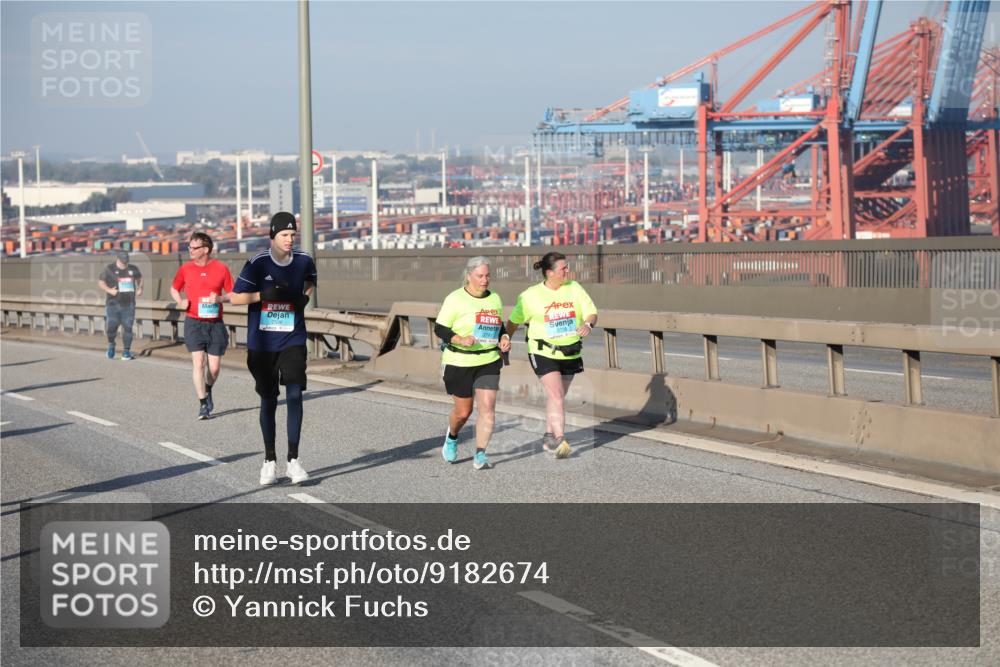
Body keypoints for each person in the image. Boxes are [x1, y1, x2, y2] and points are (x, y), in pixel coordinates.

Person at [230, 212, 316, 486]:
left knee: (294, 395)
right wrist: (264, 296)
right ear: (273, 236)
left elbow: (310, 280)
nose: (290, 240)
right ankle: (269, 461)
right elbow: (234, 297)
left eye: (293, 235)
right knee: (269, 400)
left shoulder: (304, 261)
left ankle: (293, 460)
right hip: (262, 344)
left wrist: (303, 298)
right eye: (284, 235)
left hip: (293, 339)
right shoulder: (257, 263)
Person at [505, 251, 597, 459]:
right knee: (556, 395)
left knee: (557, 396)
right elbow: (513, 321)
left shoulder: (574, 288)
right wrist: (505, 339)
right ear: (550, 273)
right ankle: (560, 440)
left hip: (570, 351)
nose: (568, 271)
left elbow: (591, 312)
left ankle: (548, 435)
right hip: (542, 351)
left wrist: (588, 324)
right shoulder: (530, 296)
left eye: (567, 267)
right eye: (563, 268)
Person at [435, 257, 512, 470]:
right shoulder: (455, 299)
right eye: (480, 276)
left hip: (489, 360)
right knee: (463, 412)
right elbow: (440, 328)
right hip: (459, 360)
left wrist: (504, 338)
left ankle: (480, 454)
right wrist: (459, 339)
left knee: (487, 408)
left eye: (487, 276)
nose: (485, 280)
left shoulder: (494, 298)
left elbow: (499, 326)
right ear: (469, 276)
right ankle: (452, 437)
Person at [170, 232, 235, 420]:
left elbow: (233, 293)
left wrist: (220, 298)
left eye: (194, 247)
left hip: (215, 323)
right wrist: (180, 301)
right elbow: (174, 288)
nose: (190, 250)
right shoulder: (185, 269)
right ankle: (202, 404)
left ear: (205, 250)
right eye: (189, 247)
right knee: (199, 363)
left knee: (214, 369)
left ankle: (208, 389)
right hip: (193, 321)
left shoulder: (221, 268)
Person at [98, 250, 143, 361]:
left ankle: (126, 351)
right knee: (112, 328)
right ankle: (111, 344)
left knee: (128, 327)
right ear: (117, 259)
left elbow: (140, 279)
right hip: (112, 304)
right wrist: (109, 290)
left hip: (129, 304)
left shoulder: (133, 269)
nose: (125, 263)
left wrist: (140, 288)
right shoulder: (109, 269)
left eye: (126, 261)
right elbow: (101, 282)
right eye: (123, 261)